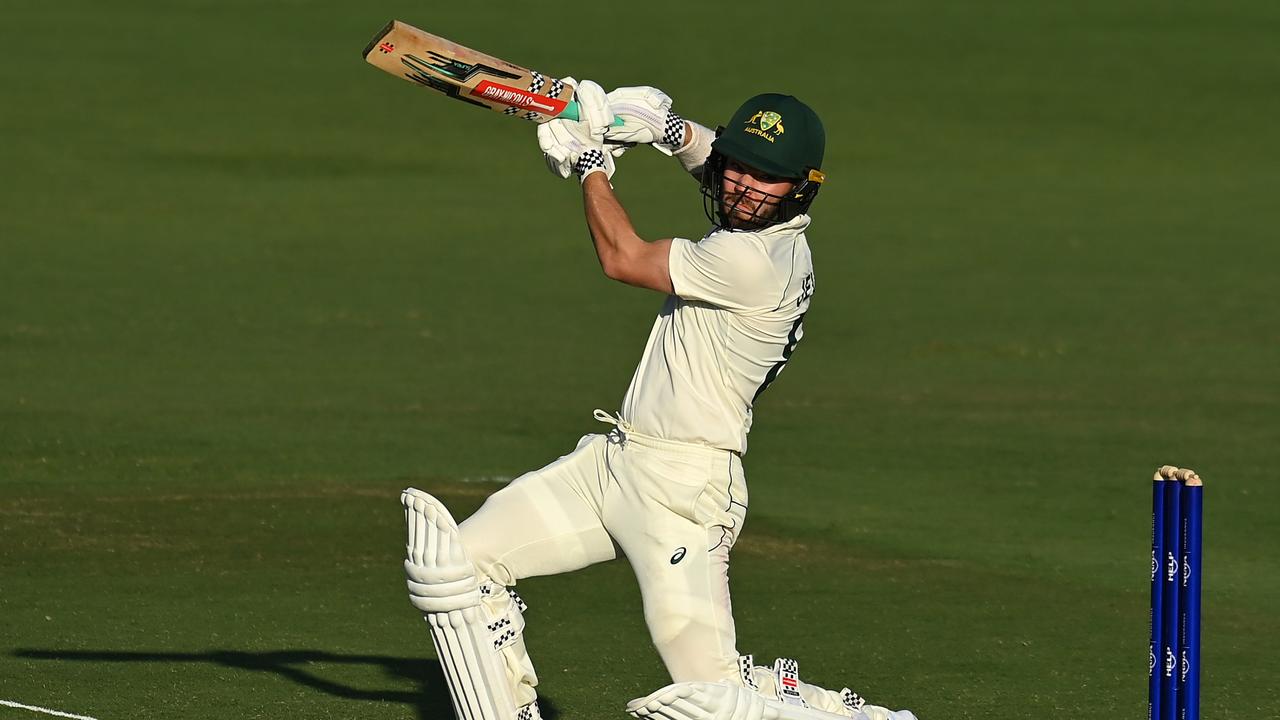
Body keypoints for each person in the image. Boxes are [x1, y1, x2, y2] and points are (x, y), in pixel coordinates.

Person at [399, 80, 918, 720]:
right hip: (613, 463)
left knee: (710, 698)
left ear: (802, 188)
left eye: (768, 179)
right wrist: (669, 131)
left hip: (684, 491)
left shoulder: (752, 259)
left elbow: (623, 258)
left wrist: (591, 166)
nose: (743, 188)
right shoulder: (757, 218)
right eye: (738, 169)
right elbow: (719, 166)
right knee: (456, 566)